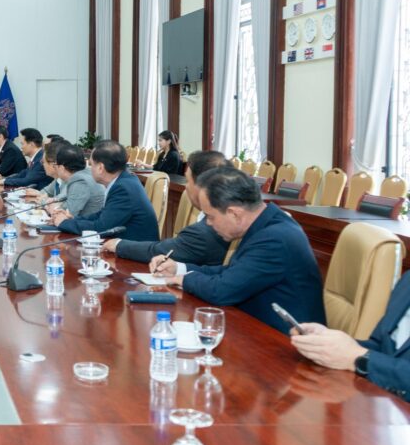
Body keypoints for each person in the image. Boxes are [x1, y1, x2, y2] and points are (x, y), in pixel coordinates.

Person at [157, 166, 327, 335]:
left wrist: (184, 279)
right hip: (257, 329)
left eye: (210, 216)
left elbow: (222, 290)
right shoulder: (264, 224)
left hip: (286, 342)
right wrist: (179, 268)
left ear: (234, 214)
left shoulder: (275, 238)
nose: (208, 223)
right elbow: (233, 272)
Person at [290, 271, 410, 402]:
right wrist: (329, 342)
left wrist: (357, 357)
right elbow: (381, 346)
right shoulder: (407, 280)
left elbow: (364, 357)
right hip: (382, 401)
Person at [105, 150, 230, 264]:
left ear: (201, 186)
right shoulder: (223, 215)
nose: (186, 187)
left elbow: (161, 251)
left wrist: (118, 245)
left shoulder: (210, 227)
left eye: (188, 181)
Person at [50, 140, 159, 241]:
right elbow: (102, 215)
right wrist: (73, 219)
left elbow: (100, 228)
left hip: (136, 252)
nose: (89, 168)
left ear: (100, 168)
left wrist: (63, 223)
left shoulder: (123, 188)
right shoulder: (124, 180)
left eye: (91, 164)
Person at [26, 143, 105, 217]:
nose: (55, 168)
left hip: (86, 226)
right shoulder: (80, 176)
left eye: (56, 165)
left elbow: (67, 214)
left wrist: (46, 203)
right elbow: (61, 203)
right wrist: (53, 204)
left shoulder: (80, 181)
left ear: (61, 168)